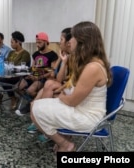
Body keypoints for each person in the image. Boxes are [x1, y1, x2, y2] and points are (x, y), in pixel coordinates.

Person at [31, 21, 112, 152]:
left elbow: (73, 101)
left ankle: (65, 144)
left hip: (88, 117)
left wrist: (61, 96)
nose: (70, 41)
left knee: (35, 108)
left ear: (82, 41)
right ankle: (64, 140)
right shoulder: (92, 62)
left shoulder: (92, 67)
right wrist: (63, 95)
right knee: (36, 106)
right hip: (83, 109)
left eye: (73, 37)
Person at [27, 28, 72, 141]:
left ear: (69, 42)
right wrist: (62, 63)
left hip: (64, 86)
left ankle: (46, 127)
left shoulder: (75, 58)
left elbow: (67, 80)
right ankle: (40, 123)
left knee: (49, 85)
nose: (59, 42)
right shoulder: (63, 55)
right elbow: (56, 74)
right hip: (57, 82)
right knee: (34, 102)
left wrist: (58, 87)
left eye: (61, 39)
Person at [15, 32, 59, 116]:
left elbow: (52, 72)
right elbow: (33, 67)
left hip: (44, 78)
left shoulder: (53, 55)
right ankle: (32, 102)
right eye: (37, 42)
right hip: (34, 76)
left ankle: (31, 105)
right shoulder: (36, 54)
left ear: (46, 42)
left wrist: (40, 77)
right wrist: (30, 74)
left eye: (40, 42)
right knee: (17, 87)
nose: (37, 45)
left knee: (30, 90)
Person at [3, 31, 31, 110]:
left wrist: (9, 66)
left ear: (18, 42)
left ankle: (13, 98)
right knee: (0, 79)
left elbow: (19, 67)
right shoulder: (11, 52)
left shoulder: (25, 53)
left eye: (12, 42)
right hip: (9, 74)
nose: (11, 44)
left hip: (20, 76)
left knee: (4, 80)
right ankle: (12, 97)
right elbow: (7, 63)